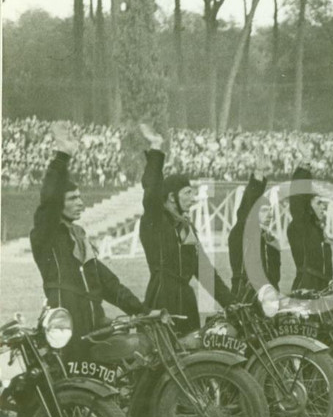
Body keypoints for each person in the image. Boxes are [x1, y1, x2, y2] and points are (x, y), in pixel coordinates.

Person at [30, 122, 146, 355]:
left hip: (94, 326)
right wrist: (62, 156)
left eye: (80, 197)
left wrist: (141, 310)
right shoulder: (46, 234)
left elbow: (107, 283)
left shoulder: (79, 236)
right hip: (65, 330)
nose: (80, 203)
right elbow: (48, 199)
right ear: (58, 203)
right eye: (73, 198)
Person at [139, 124, 232, 335]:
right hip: (161, 300)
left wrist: (230, 302)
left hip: (187, 302)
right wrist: (156, 150)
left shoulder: (187, 227)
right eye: (188, 193)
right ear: (172, 197)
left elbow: (205, 271)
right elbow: (152, 191)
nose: (193, 198)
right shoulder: (155, 220)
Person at [229, 154, 280, 304]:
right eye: (264, 211)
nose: (269, 215)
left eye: (270, 211)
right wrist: (258, 176)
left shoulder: (270, 240)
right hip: (244, 297)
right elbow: (246, 209)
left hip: (268, 300)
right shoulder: (241, 233)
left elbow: (275, 277)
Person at [287, 165, 333, 291]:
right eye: (318, 203)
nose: (323, 207)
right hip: (306, 287)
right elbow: (297, 200)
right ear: (308, 207)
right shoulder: (302, 226)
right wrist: (304, 170)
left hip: (322, 287)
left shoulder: (317, 230)